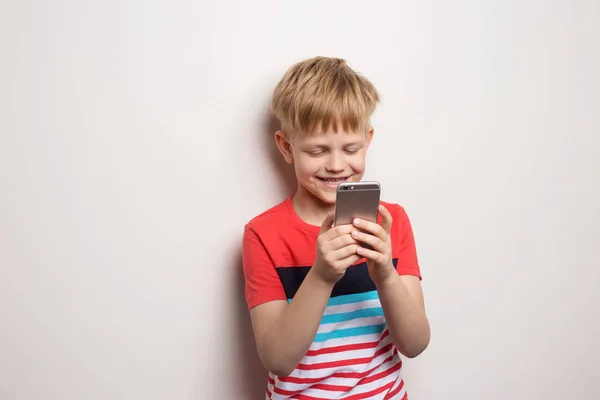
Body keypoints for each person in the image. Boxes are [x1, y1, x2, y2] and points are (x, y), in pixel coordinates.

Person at [242, 56, 430, 399]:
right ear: (286, 147)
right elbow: (278, 359)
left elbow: (415, 344)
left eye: (351, 148)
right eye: (317, 150)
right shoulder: (262, 234)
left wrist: (385, 274)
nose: (337, 165)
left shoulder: (393, 222)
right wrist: (322, 275)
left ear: (367, 140)